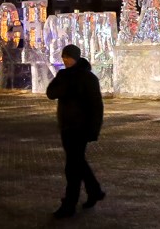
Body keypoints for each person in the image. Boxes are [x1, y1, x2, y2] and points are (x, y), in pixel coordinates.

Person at [47, 44, 104, 219]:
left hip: (81, 128)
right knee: (78, 162)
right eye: (63, 57)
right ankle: (94, 191)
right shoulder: (63, 75)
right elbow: (51, 93)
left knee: (72, 167)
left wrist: (94, 129)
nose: (65, 60)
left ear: (76, 58)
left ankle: (69, 204)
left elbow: (96, 106)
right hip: (66, 127)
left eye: (69, 57)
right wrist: (64, 83)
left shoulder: (88, 78)